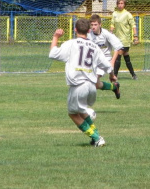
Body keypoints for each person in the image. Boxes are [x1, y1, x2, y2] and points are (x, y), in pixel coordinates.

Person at [48, 18, 115, 147]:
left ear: (75, 30)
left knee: (73, 114)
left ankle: (97, 138)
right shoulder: (95, 47)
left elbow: (53, 54)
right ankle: (95, 135)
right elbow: (108, 66)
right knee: (82, 112)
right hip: (91, 86)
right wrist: (112, 76)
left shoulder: (71, 44)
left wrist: (56, 37)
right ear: (89, 31)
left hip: (78, 84)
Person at [89, 14, 123, 99]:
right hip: (94, 61)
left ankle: (83, 105)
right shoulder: (89, 35)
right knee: (96, 84)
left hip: (105, 60)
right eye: (92, 25)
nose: (93, 27)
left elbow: (117, 47)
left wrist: (112, 62)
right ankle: (114, 87)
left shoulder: (106, 33)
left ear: (100, 24)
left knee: (92, 81)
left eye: (95, 25)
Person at [110, 0, 139, 80]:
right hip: (117, 39)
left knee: (118, 56)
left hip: (125, 39)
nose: (120, 5)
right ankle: (133, 75)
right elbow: (112, 24)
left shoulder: (127, 14)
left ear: (124, 4)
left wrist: (135, 36)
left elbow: (133, 25)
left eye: (122, 3)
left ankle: (114, 75)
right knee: (127, 58)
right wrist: (110, 33)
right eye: (119, 3)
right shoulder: (114, 13)